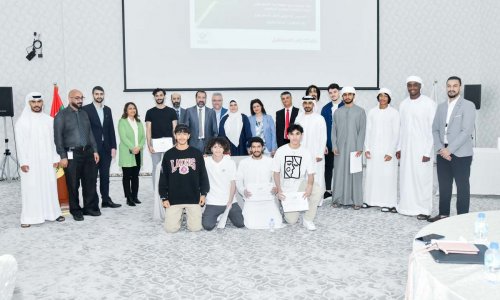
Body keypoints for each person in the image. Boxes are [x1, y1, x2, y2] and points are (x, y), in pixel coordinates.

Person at [428, 76, 476, 222]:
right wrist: (440, 149)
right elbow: (435, 129)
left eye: (455, 86)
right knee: (444, 185)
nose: (451, 88)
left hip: (461, 153)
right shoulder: (441, 106)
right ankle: (443, 214)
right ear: (445, 87)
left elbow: (466, 131)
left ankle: (462, 218)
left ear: (460, 87)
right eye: (449, 86)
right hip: (442, 152)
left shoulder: (468, 105)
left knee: (462, 187)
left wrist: (450, 150)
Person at [16, 92, 65, 228]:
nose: (37, 105)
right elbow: (20, 144)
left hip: (47, 161)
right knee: (31, 188)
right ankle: (28, 217)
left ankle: (53, 213)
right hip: (30, 162)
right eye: (33, 102)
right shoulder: (22, 122)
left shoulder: (49, 120)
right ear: (29, 103)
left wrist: (55, 157)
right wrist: (23, 162)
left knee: (49, 186)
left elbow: (54, 141)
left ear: (43, 103)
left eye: (39, 102)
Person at [54, 89, 100, 221]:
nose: (80, 100)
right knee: (73, 184)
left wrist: (95, 150)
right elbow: (58, 138)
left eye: (81, 98)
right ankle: (75, 210)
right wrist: (62, 156)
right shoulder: (61, 115)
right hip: (71, 154)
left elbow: (90, 133)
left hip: (88, 152)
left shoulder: (84, 114)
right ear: (69, 98)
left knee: (90, 181)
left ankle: (89, 208)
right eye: (77, 98)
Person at [397, 76, 437, 220]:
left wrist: (428, 151)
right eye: (409, 85)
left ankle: (424, 209)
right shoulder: (403, 104)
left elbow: (433, 129)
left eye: (415, 85)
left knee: (422, 179)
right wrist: (399, 147)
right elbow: (401, 128)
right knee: (406, 177)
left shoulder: (429, 103)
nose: (412, 87)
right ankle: (406, 206)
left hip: (422, 149)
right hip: (407, 148)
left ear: (420, 86)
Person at [159, 124, 209, 233]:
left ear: (189, 136)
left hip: (193, 197)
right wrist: (164, 198)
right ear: (175, 136)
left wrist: (203, 194)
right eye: (179, 134)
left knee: (195, 228)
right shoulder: (168, 154)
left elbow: (203, 175)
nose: (182, 137)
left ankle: (187, 215)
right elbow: (163, 178)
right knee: (170, 229)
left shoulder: (196, 153)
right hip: (174, 199)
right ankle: (179, 216)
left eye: (184, 134)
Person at [273, 124, 321, 230]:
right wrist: (279, 190)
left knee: (317, 189)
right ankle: (286, 206)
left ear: (301, 136)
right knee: (291, 221)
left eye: (297, 134)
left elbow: (311, 174)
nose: (295, 137)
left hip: (299, 185)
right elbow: (276, 173)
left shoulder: (306, 152)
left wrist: (309, 187)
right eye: (292, 134)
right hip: (286, 189)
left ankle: (308, 219)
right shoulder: (280, 151)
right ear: (288, 136)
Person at [82, 86, 120, 208]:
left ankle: (105, 200)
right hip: (92, 149)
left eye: (101, 94)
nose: (99, 96)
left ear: (104, 95)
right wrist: (90, 148)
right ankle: (93, 202)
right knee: (92, 177)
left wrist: (113, 147)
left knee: (105, 176)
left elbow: (111, 129)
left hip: (106, 148)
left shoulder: (107, 110)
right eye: (97, 94)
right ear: (93, 95)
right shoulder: (86, 109)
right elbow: (85, 131)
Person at [364, 88, 400, 212]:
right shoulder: (372, 112)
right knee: (372, 175)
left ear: (389, 98)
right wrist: (367, 148)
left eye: (385, 96)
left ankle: (388, 203)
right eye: (381, 96)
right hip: (373, 149)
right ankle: (370, 201)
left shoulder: (394, 113)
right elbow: (368, 131)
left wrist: (391, 151)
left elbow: (396, 133)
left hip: (387, 150)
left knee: (387, 176)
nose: (383, 98)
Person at [331, 87, 366, 209]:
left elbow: (362, 131)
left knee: (355, 173)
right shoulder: (337, 112)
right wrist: (334, 145)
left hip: (355, 147)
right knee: (339, 173)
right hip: (340, 148)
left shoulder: (360, 111)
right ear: (342, 96)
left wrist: (359, 147)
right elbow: (333, 131)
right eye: (345, 94)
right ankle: (337, 199)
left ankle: (356, 201)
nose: (347, 97)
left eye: (349, 94)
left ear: (353, 95)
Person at [236, 137, 283, 229]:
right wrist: (243, 191)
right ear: (250, 149)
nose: (256, 149)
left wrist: (275, 187)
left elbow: (276, 177)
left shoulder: (270, 161)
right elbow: (238, 180)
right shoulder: (244, 163)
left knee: (277, 222)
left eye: (258, 147)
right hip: (251, 199)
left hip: (267, 198)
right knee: (250, 224)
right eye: (253, 147)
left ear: (263, 148)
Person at [202, 137, 245, 230]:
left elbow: (233, 183)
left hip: (230, 202)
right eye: (215, 147)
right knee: (208, 226)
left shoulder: (230, 162)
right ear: (211, 148)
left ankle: (226, 214)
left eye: (220, 147)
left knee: (241, 223)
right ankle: (218, 215)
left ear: (224, 149)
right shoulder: (205, 161)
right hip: (213, 201)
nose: (218, 149)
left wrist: (230, 201)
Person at [295, 96, 327, 205]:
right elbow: (294, 136)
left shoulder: (319, 118)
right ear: (302, 105)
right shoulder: (298, 118)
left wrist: (320, 153)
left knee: (317, 175)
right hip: (301, 152)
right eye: (305, 103)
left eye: (310, 103)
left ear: (313, 104)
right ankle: (303, 200)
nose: (307, 105)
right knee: (301, 176)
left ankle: (317, 200)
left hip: (315, 154)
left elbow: (323, 137)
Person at [145, 88, 178, 188]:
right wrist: (149, 145)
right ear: (154, 97)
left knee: (171, 166)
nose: (159, 97)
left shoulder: (171, 111)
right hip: (155, 144)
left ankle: (171, 188)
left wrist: (176, 142)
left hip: (169, 143)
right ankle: (156, 189)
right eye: (157, 96)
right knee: (156, 167)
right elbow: (148, 130)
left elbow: (175, 129)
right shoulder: (150, 112)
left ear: (164, 96)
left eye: (160, 95)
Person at [118, 102, 146, 206]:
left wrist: (139, 147)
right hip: (127, 152)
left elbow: (143, 137)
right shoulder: (122, 122)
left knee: (135, 176)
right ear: (126, 110)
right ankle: (128, 198)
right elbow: (123, 137)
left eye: (134, 108)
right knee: (127, 176)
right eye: (130, 108)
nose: (132, 110)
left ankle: (135, 196)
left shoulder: (139, 122)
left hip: (138, 152)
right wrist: (133, 147)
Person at [321, 83, 344, 199]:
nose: (333, 94)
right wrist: (324, 144)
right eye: (330, 93)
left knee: (341, 168)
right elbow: (322, 128)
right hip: (329, 144)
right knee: (328, 167)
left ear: (339, 92)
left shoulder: (345, 106)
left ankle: (341, 189)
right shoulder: (325, 108)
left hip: (342, 144)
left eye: (335, 92)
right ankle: (328, 190)